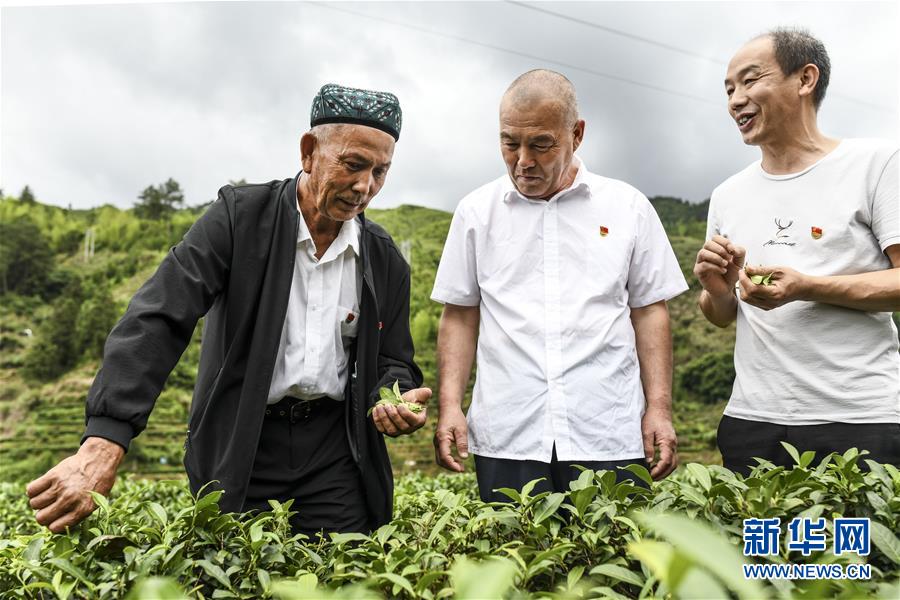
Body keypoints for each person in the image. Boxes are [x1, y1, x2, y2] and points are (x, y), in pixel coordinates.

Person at [26, 84, 432, 537]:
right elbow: (159, 317)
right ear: (309, 152)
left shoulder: (383, 258)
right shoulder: (239, 220)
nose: (364, 186)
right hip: (244, 444)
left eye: (380, 172)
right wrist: (105, 437)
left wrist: (393, 396)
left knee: (342, 577)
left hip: (334, 455)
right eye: (353, 165)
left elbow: (394, 359)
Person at [431, 69, 688, 501]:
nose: (523, 160)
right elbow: (459, 314)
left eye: (541, 144)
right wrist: (450, 405)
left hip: (607, 428)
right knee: (518, 561)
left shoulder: (628, 207)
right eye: (509, 143)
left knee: (612, 562)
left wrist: (659, 409)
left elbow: (648, 312)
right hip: (508, 433)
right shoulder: (476, 212)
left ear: (577, 134)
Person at [695, 28, 900, 475]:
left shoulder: (877, 164)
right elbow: (721, 314)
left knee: (856, 547)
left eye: (750, 81)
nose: (735, 99)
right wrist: (716, 289)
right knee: (759, 548)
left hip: (859, 420)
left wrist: (807, 286)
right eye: (729, 89)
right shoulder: (727, 194)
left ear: (805, 79)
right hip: (752, 422)